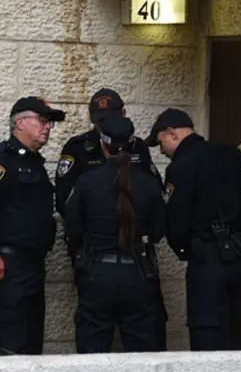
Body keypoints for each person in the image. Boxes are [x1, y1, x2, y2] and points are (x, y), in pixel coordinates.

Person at [54, 87, 169, 350]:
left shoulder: (89, 181)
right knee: (141, 349)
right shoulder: (78, 148)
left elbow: (73, 220)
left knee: (94, 346)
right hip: (115, 263)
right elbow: (159, 225)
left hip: (109, 264)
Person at [144, 108, 241, 351]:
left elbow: (176, 220)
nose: (162, 151)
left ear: (172, 134)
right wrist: (238, 231)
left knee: (206, 334)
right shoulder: (230, 155)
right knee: (234, 332)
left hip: (206, 260)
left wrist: (185, 249)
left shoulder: (180, 167)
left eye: (161, 143)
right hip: (237, 258)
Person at [0, 96, 65, 355]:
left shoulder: (35, 163)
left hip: (32, 266)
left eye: (49, 123)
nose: (47, 128)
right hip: (6, 267)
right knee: (8, 347)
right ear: (20, 122)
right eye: (42, 120)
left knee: (32, 346)